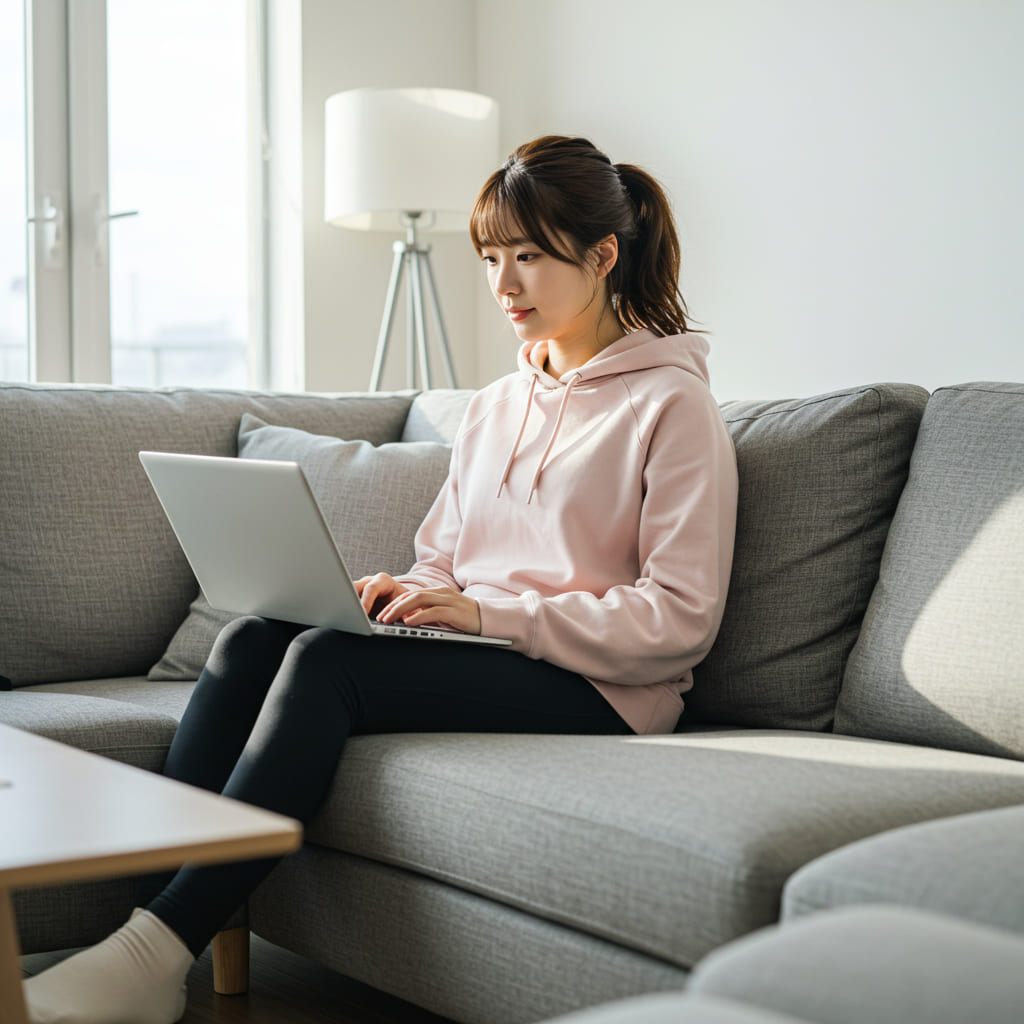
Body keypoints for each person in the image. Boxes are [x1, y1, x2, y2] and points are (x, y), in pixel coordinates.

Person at [24, 135, 738, 1024]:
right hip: (491, 645)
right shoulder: (496, 405)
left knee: (331, 666)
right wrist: (406, 592)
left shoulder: (672, 406)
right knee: (253, 638)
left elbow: (678, 620)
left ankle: (150, 954)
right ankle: (146, 939)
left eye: (529, 256)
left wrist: (485, 614)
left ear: (602, 256)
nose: (504, 285)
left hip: (605, 686)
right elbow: (445, 552)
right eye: (490, 257)